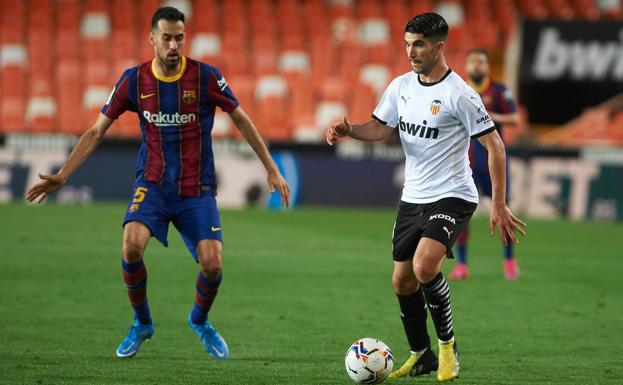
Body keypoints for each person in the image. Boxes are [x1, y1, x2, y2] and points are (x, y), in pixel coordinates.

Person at [26, 6, 290, 360]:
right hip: (152, 184)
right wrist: (63, 174)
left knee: (213, 265)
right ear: (152, 39)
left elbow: (241, 119)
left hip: (196, 189)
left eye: (179, 38)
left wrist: (271, 168)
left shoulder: (205, 77)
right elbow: (96, 131)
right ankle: (142, 323)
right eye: (166, 38)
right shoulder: (133, 80)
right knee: (130, 246)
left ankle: (200, 321)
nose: (174, 45)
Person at [325, 13, 526, 382]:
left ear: (438, 46)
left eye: (418, 44)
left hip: (453, 195)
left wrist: (498, 204)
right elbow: (381, 129)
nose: (411, 52)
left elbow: (495, 145)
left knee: (423, 267)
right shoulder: (401, 86)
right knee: (402, 281)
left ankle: (448, 348)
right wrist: (350, 129)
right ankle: (422, 355)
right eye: (407, 44)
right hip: (413, 198)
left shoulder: (460, 94)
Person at [449, 48, 521, 281]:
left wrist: (488, 117)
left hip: (493, 161)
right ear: (467, 66)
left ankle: (509, 260)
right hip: (466, 162)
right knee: (462, 215)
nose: (476, 66)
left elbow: (515, 118)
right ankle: (461, 264)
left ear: (488, 67)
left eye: (481, 61)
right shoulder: (459, 90)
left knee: (503, 211)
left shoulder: (499, 90)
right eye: (472, 61)